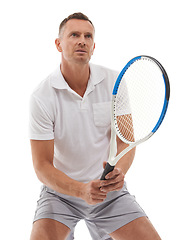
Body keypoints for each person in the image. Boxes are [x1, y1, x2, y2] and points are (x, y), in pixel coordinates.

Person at [29, 12, 161, 240]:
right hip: (61, 194)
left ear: (94, 46)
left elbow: (125, 141)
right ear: (59, 44)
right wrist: (79, 190)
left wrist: (120, 172)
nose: (82, 40)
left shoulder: (114, 82)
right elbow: (41, 166)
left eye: (88, 36)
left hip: (108, 192)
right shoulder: (42, 96)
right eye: (74, 35)